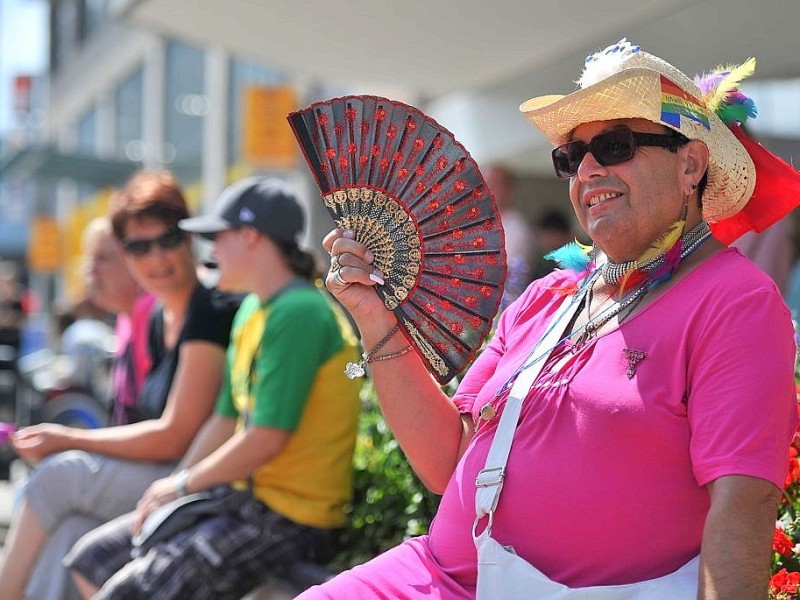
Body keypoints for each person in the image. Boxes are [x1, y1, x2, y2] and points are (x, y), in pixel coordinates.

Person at [299, 40, 799, 599]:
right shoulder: (550, 295)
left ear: (690, 164)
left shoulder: (735, 301)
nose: (587, 168)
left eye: (614, 145)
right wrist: (375, 319)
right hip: (442, 577)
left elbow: (743, 506)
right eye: (570, 156)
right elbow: (448, 459)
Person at [66, 177, 362, 600]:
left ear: (250, 237)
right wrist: (172, 485)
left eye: (216, 238)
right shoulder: (252, 311)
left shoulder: (300, 312)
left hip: (290, 519)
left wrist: (183, 486)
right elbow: (224, 419)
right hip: (239, 500)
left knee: (127, 592)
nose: (209, 251)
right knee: (93, 560)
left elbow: (266, 439)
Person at [0, 171, 241, 600]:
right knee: (71, 533)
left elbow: (176, 435)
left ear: (188, 238)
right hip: (164, 476)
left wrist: (68, 437)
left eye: (167, 240)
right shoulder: (156, 316)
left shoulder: (212, 305)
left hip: (198, 482)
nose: (156, 258)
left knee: (59, 476)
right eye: (138, 247)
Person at [484, 164, 535, 308]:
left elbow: (506, 272)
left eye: (493, 184)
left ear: (508, 190)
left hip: (505, 308)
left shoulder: (517, 227)